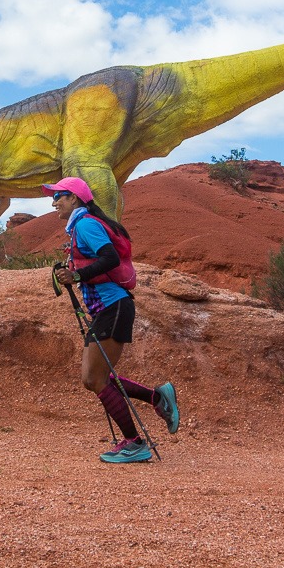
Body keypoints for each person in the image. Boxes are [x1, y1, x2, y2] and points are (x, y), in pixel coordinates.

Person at [45, 176, 179, 464]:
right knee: (94, 377)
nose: (54, 202)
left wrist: (78, 275)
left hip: (112, 306)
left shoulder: (85, 224)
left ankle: (135, 442)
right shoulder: (80, 225)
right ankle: (157, 398)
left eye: (59, 196)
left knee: (94, 378)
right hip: (107, 307)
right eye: (53, 197)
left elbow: (110, 259)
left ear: (75, 199)